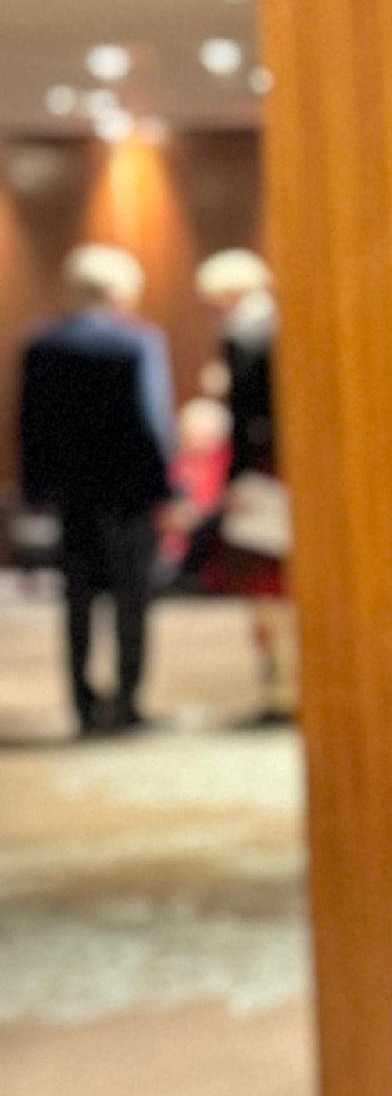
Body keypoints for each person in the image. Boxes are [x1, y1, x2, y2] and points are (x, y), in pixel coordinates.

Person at [16, 240, 174, 734]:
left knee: (78, 599)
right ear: (118, 292)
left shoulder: (42, 344)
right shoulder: (136, 342)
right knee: (131, 598)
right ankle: (127, 699)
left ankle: (82, 705)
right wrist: (164, 491)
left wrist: (36, 490)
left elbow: (30, 426)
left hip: (72, 495)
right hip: (128, 493)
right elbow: (151, 424)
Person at [181, 244, 296, 718]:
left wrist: (232, 481)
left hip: (263, 473)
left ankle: (279, 686)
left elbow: (245, 422)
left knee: (265, 585)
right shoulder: (288, 322)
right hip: (295, 470)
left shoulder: (243, 333)